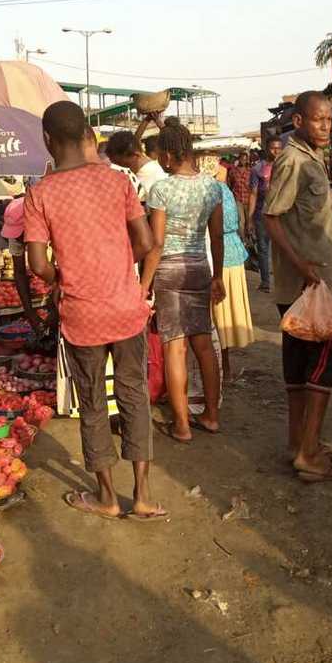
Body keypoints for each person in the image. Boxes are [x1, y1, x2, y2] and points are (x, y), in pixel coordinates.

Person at [24, 101, 164, 520]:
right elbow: (145, 243)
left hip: (81, 314)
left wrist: (63, 276)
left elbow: (36, 264)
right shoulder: (117, 181)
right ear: (87, 133)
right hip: (125, 306)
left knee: (92, 402)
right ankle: (141, 496)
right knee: (133, 394)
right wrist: (119, 269)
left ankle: (105, 497)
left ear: (47, 140)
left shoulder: (40, 193)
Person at [263, 91, 332, 483]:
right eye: (318, 120)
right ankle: (308, 453)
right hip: (307, 286)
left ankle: (299, 444)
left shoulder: (312, 157)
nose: (325, 126)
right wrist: (304, 267)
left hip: (309, 282)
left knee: (299, 369)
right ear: (299, 122)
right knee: (322, 368)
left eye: (329, 120)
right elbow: (272, 219)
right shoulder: (293, 161)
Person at [140, 122, 225, 442]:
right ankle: (212, 417)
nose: (160, 159)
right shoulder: (212, 188)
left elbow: (156, 243)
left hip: (169, 272)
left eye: (161, 153)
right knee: (203, 344)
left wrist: (144, 284)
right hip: (199, 267)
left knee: (174, 349)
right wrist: (217, 275)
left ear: (170, 154)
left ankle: (182, 425)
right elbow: (216, 236)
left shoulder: (161, 189)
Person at [212, 181, 254, 381]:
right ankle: (224, 368)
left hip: (218, 256)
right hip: (232, 253)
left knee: (218, 318)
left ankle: (222, 369)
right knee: (224, 318)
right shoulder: (225, 189)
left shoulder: (211, 189)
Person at [1, 197, 50, 334]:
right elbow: (19, 272)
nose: (17, 238)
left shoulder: (49, 224)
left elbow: (43, 268)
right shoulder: (15, 237)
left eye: (20, 233)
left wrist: (53, 305)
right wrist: (29, 312)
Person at [247, 139, 281, 293]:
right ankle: (266, 282)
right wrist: (250, 218)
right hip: (262, 215)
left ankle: (284, 282)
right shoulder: (257, 169)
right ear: (267, 149)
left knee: (282, 249)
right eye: (273, 148)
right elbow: (253, 194)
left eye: (279, 148)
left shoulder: (285, 166)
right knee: (263, 248)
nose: (276, 151)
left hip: (282, 215)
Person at [105, 130, 168, 199]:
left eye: (119, 164)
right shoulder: (147, 169)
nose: (118, 168)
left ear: (135, 155)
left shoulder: (151, 175)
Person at [226, 151, 253, 235]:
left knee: (249, 220)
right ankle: (243, 240)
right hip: (238, 199)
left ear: (247, 160)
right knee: (241, 221)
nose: (243, 161)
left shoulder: (251, 171)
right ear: (239, 159)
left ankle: (251, 239)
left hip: (249, 199)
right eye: (242, 159)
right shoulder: (233, 171)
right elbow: (229, 183)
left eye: (245, 159)